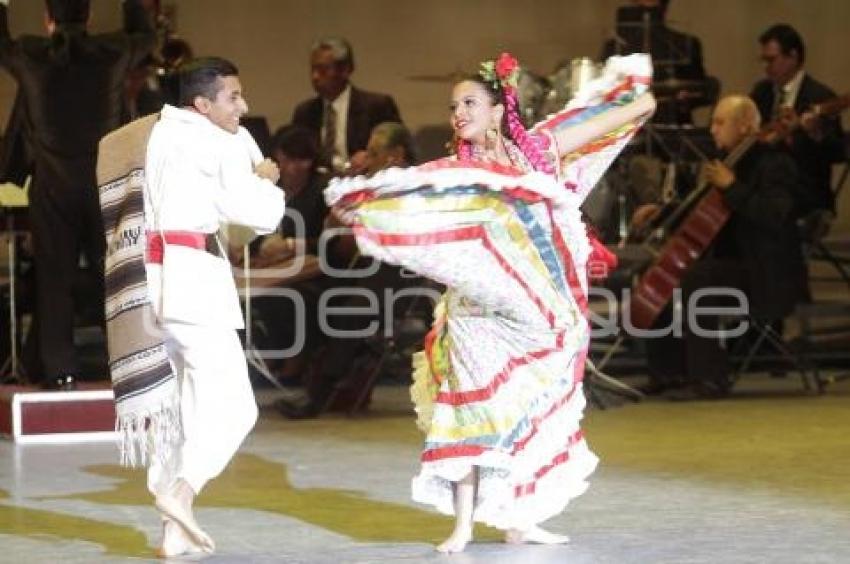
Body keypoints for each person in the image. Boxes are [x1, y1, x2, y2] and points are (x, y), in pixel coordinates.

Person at [326, 53, 655, 552]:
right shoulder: (458, 173)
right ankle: (462, 523)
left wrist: (641, 103)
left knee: (537, 412)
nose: (459, 112)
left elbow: (595, 128)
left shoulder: (538, 154)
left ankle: (521, 517)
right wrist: (365, 200)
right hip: (478, 318)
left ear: (499, 109)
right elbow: (414, 193)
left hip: (539, 317)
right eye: (454, 104)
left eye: (470, 102)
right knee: (471, 413)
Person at [97, 56, 284, 557]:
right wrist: (263, 178)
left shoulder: (147, 135)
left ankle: (172, 533)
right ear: (202, 104)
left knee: (179, 407)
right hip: (193, 282)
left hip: (146, 283)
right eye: (233, 97)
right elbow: (257, 214)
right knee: (236, 408)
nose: (243, 106)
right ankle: (181, 492)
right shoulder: (216, 140)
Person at [0, 0, 156, 389]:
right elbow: (147, 36)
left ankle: (59, 370)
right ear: (88, 16)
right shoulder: (114, 51)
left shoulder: (30, 54)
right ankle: (123, 364)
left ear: (48, 18)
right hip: (107, 185)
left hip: (53, 185)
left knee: (54, 280)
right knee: (115, 277)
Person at [642, 95, 809, 399]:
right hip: (737, 268)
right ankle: (669, 371)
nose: (713, 130)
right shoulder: (729, 163)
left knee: (698, 277)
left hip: (768, 274)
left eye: (720, 123)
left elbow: (774, 215)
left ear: (745, 127)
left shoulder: (775, 163)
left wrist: (732, 187)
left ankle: (710, 379)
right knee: (666, 269)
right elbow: (698, 211)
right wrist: (661, 213)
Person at [276, 121, 419, 418]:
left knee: (348, 311)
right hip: (366, 270)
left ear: (396, 155)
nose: (368, 158)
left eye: (375, 152)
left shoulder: (412, 185)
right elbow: (339, 237)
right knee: (310, 296)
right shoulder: (374, 185)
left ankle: (320, 394)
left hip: (401, 276)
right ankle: (314, 382)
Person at [750, 23, 846, 217]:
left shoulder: (820, 96)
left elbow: (837, 152)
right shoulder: (762, 91)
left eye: (771, 60)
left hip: (804, 189)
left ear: (793, 57)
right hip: (766, 184)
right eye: (763, 60)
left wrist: (811, 133)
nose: (766, 67)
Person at [292, 37, 402, 176]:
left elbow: (399, 150)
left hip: (364, 182)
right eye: (313, 69)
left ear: (345, 70)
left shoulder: (377, 106)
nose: (315, 77)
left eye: (323, 70)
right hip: (318, 189)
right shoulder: (305, 112)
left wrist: (371, 156)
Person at [601, 0, 716, 125]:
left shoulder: (683, 44)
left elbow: (699, 90)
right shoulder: (615, 47)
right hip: (628, 126)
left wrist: (686, 97)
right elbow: (603, 90)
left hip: (672, 126)